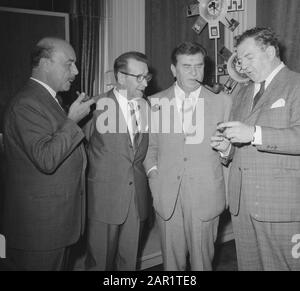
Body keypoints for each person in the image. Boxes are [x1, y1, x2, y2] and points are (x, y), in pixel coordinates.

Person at [211, 27, 300, 270]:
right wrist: (226, 148)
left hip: (280, 206)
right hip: (243, 205)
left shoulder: (296, 84)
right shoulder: (242, 92)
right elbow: (242, 144)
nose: (242, 65)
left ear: (270, 52)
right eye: (239, 60)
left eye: (248, 57)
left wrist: (254, 134)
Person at [2, 37, 94, 270]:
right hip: (39, 230)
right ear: (44, 63)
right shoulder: (26, 103)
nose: (75, 71)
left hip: (55, 225)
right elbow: (46, 158)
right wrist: (73, 121)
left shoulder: (49, 100)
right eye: (69, 63)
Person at [144, 41, 232, 270]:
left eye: (199, 66)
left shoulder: (223, 102)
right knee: (171, 264)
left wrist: (226, 150)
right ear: (174, 69)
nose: (194, 72)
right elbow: (149, 147)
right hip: (167, 194)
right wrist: (154, 177)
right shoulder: (154, 103)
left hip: (205, 194)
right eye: (186, 66)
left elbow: (233, 151)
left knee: (202, 262)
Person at [85, 51, 152, 271]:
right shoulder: (94, 107)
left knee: (128, 263)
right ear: (121, 78)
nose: (145, 83)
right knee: (100, 263)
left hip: (136, 199)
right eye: (139, 77)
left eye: (147, 77)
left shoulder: (147, 107)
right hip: (104, 199)